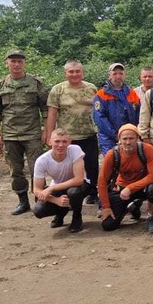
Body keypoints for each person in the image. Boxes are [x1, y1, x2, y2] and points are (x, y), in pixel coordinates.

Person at [0, 49, 48, 215]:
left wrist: (46, 131)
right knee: (15, 170)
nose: (16, 64)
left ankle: (40, 200)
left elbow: (45, 108)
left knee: (38, 168)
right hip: (10, 135)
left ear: (24, 63)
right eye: (12, 61)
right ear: (6, 63)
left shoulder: (35, 83)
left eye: (19, 61)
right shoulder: (0, 85)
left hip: (32, 134)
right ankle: (23, 202)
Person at [45, 60, 99, 205]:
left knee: (92, 165)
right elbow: (52, 113)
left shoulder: (91, 88)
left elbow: (99, 110)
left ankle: (93, 192)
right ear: (65, 73)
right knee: (66, 168)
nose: (74, 74)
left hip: (88, 134)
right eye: (71, 72)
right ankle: (66, 194)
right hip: (66, 137)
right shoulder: (58, 90)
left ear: (83, 72)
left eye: (77, 71)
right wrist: (50, 135)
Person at [97, 124, 153, 233]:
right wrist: (106, 207)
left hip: (142, 188)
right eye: (125, 139)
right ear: (119, 140)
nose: (128, 142)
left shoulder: (147, 149)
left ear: (137, 139)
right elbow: (102, 181)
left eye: (131, 138)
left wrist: (131, 188)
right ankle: (131, 206)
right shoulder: (112, 154)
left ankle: (150, 217)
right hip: (122, 189)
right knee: (108, 225)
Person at [32, 129, 92, 233]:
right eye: (57, 141)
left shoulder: (75, 150)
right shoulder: (42, 161)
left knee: (73, 192)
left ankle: (77, 216)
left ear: (69, 142)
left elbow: (78, 180)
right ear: (50, 142)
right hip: (59, 188)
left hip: (79, 186)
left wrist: (51, 188)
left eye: (64, 142)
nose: (61, 145)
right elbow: (36, 190)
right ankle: (61, 212)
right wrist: (56, 200)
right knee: (38, 209)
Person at [92, 63, 141, 156]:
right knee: (112, 163)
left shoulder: (131, 93)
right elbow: (100, 118)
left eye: (121, 73)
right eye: (115, 73)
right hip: (109, 138)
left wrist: (134, 132)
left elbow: (139, 114)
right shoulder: (101, 94)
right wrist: (115, 135)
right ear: (109, 75)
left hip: (129, 137)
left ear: (124, 75)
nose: (118, 76)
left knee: (129, 164)